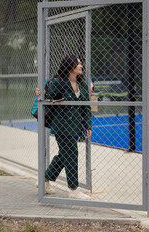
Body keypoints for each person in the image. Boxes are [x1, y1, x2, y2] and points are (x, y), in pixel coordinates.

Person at [36, 55, 92, 199]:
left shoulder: (83, 84)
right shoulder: (58, 82)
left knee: (64, 155)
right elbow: (47, 99)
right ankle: (73, 190)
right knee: (72, 154)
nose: (81, 66)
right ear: (71, 66)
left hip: (75, 126)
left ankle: (44, 180)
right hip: (61, 125)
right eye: (78, 64)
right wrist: (40, 94)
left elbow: (86, 107)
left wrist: (88, 125)